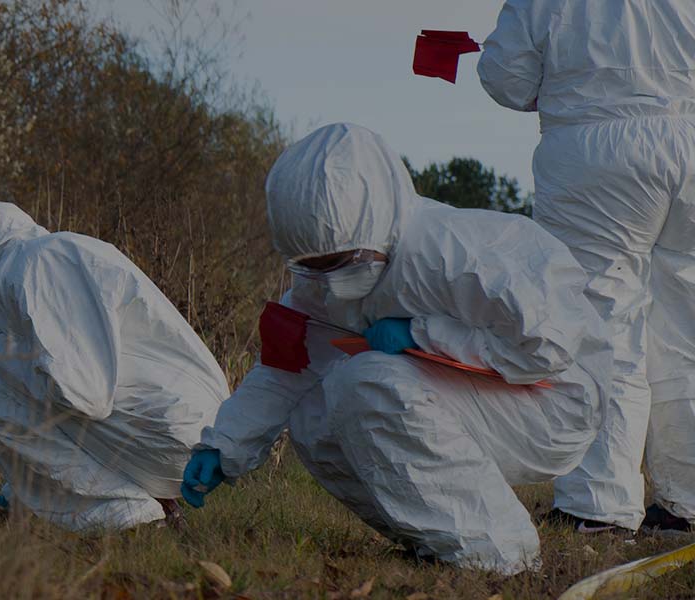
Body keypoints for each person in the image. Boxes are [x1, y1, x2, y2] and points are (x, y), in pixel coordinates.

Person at [183, 124, 609, 574]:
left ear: (375, 223)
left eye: (341, 262)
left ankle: (498, 554)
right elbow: (287, 370)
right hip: (478, 392)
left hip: (556, 401)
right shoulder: (318, 282)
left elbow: (549, 347)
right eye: (313, 267)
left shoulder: (453, 253)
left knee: (366, 382)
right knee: (313, 415)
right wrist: (225, 445)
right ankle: (435, 540)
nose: (330, 281)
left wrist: (421, 334)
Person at [479, 0, 695, 533]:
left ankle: (599, 502)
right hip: (690, 141)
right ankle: (686, 503)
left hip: (597, 150)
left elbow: (506, 77)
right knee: (685, 332)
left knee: (601, 325)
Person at [0, 200, 228, 533]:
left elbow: (84, 393)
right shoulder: (42, 259)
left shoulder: (35, 264)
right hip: (196, 435)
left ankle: (127, 517)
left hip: (174, 436)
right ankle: (90, 503)